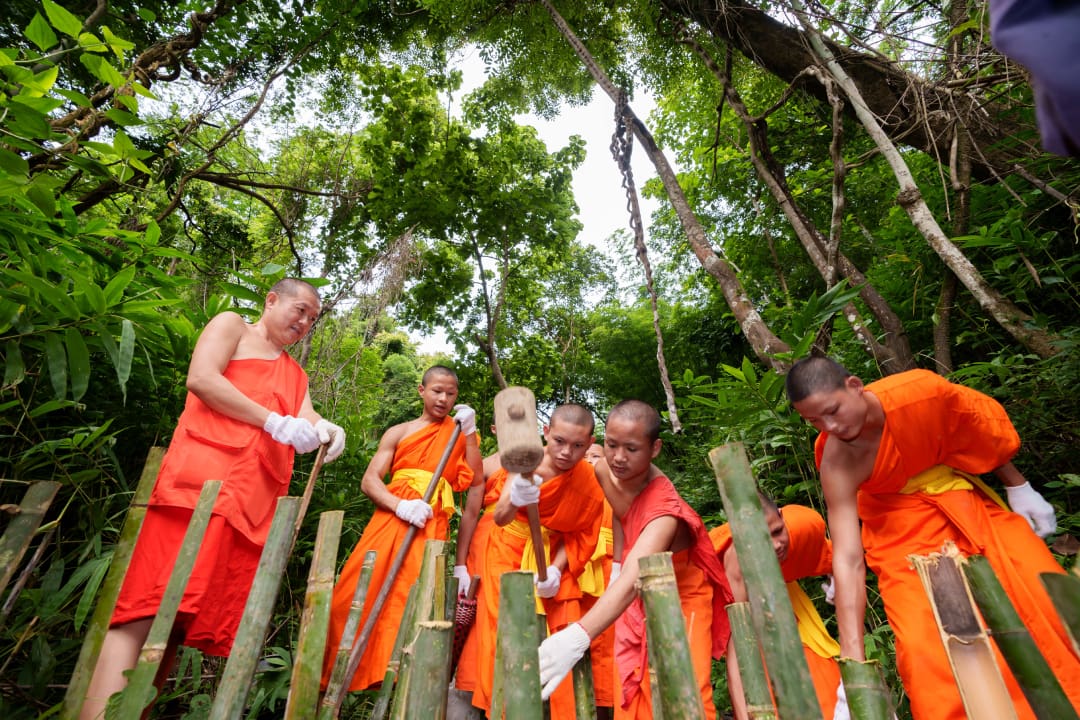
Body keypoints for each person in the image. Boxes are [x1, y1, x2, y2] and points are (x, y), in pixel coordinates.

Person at [80, 278, 346, 719]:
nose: (304, 323)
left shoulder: (296, 375)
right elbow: (201, 377)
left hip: (244, 510)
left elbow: (306, 415)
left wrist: (326, 429)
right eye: (299, 310)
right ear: (271, 299)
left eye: (312, 320)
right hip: (194, 490)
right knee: (144, 605)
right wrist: (272, 422)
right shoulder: (233, 327)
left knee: (179, 621)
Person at [786, 356, 1080, 719]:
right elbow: (847, 557)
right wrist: (853, 664)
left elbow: (974, 435)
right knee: (926, 648)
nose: (829, 425)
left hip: (963, 503)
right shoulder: (837, 462)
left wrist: (1018, 485)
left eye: (832, 411)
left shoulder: (919, 394)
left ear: (855, 385)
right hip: (898, 534)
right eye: (814, 421)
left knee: (1043, 595)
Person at [539, 400, 733, 719]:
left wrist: (577, 636)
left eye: (631, 448)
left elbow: (634, 578)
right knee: (629, 691)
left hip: (680, 600)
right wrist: (616, 562)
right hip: (636, 590)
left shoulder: (664, 514)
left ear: (654, 448)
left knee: (685, 693)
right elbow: (613, 509)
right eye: (612, 444)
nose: (618, 457)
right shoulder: (603, 469)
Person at [320, 366, 483, 692]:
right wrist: (400, 506)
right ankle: (332, 682)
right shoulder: (399, 432)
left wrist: (470, 432)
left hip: (431, 530)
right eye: (437, 390)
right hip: (390, 521)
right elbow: (370, 481)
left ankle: (400, 688)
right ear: (421, 390)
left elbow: (475, 482)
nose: (444, 398)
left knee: (414, 607)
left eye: (451, 394)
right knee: (350, 598)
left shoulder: (457, 435)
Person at [470, 404, 605, 719]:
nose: (566, 452)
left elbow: (582, 533)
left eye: (577, 446)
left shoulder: (588, 478)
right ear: (545, 433)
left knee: (560, 631)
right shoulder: (524, 463)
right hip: (507, 550)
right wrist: (516, 494)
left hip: (553, 556)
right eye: (559, 441)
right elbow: (501, 518)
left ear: (589, 443)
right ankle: (504, 712)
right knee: (504, 633)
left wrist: (556, 571)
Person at [710, 497, 841, 719]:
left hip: (798, 627)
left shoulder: (797, 528)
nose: (776, 544)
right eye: (763, 539)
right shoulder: (737, 563)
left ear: (781, 515)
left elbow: (837, 557)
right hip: (759, 640)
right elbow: (737, 654)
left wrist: (837, 576)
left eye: (778, 531)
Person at [578, 443, 617, 720]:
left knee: (607, 647)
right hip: (578, 574)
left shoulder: (619, 492)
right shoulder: (573, 492)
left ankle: (606, 709)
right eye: (585, 457)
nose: (589, 461)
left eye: (596, 456)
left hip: (610, 574)